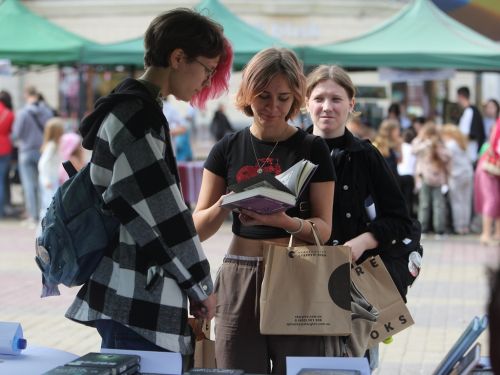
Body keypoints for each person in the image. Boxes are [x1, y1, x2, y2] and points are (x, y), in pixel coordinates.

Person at [64, 8, 232, 369]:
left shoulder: (131, 107)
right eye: (206, 68)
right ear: (177, 57)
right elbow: (164, 217)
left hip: (125, 290)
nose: (207, 81)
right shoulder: (137, 116)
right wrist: (203, 287)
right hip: (135, 300)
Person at [192, 48, 335, 374]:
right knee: (235, 367)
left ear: (296, 97)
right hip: (239, 276)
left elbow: (324, 229)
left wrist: (284, 221)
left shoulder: (312, 148)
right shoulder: (226, 147)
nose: (273, 107)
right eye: (263, 96)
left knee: (298, 369)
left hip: (295, 274)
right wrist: (225, 203)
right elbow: (197, 229)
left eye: (283, 98)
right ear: (247, 93)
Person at [304, 65, 413, 369]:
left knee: (352, 365)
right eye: (319, 98)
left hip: (354, 285)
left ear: (352, 104)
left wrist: (364, 241)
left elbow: (401, 219)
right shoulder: (291, 152)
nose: (327, 107)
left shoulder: (366, 156)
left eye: (336, 99)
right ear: (306, 102)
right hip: (300, 280)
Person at [11, 86, 54, 226]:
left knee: (30, 185)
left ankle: (33, 216)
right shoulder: (47, 112)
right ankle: (45, 214)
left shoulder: (22, 113)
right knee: (44, 183)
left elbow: (16, 134)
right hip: (43, 151)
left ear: (26, 95)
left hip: (26, 151)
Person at [412, 122, 451, 236]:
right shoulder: (421, 142)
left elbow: (448, 156)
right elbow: (413, 150)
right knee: (425, 204)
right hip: (425, 177)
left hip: (438, 178)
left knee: (438, 205)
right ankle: (423, 229)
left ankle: (439, 230)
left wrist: (438, 149)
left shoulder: (440, 144)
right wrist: (426, 143)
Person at [441, 124, 474, 235]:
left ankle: (458, 227)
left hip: (456, 175)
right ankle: (465, 226)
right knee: (466, 201)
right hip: (468, 173)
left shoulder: (450, 145)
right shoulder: (463, 144)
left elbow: (445, 159)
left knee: (457, 202)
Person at [474, 118, 500, 246]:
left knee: (496, 199)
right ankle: (486, 234)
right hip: (490, 167)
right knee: (492, 199)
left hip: (493, 167)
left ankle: (497, 233)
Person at [38, 117, 64, 220]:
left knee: (50, 204)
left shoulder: (53, 145)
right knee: (49, 205)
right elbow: (42, 163)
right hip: (49, 179)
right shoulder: (52, 146)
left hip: (53, 178)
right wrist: (46, 180)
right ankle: (43, 230)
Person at [456, 86, 486, 163]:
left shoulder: (471, 112)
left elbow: (473, 134)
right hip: (467, 153)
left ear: (461, 97)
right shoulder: (468, 111)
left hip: (471, 153)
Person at [0, 90, 14, 219]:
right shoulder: (9, 114)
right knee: (2, 180)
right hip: (5, 148)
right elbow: (11, 131)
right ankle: (2, 210)